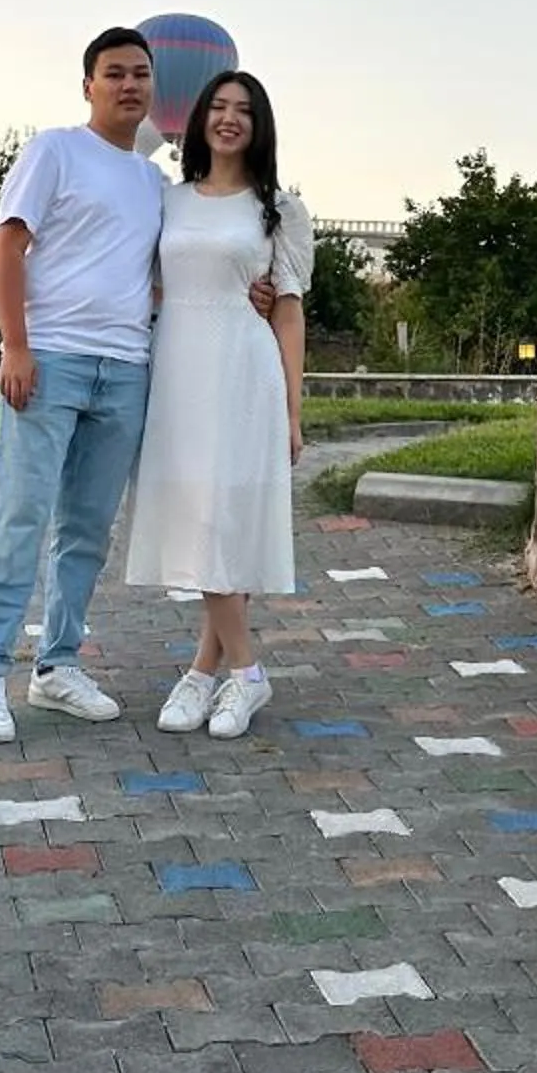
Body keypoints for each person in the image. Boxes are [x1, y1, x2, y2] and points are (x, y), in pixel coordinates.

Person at [0, 29, 166, 742]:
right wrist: (14, 346)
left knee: (87, 528)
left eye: (141, 74)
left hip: (126, 368)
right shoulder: (53, 149)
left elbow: (161, 280)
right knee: (20, 514)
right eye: (114, 74)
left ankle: (56, 666)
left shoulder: (153, 181)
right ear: (88, 85)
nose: (129, 85)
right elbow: (7, 245)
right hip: (49, 359)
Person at [125, 69, 313, 738]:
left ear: (260, 127)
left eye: (244, 111)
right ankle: (215, 672)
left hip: (243, 371)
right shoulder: (168, 202)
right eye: (218, 107)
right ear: (200, 118)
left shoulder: (279, 211)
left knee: (222, 519)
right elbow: (149, 287)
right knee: (198, 517)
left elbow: (287, 314)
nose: (229, 119)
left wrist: (292, 410)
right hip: (178, 373)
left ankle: (236, 675)